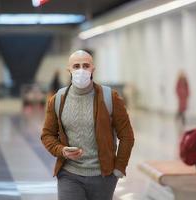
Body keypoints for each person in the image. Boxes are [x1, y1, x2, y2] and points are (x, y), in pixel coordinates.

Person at [41, 50, 134, 200]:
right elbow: (47, 135)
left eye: (86, 66)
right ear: (69, 70)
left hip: (103, 176)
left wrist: (119, 168)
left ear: (93, 69)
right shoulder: (58, 100)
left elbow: (127, 136)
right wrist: (62, 150)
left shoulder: (111, 97)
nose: (81, 70)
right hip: (69, 174)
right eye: (76, 66)